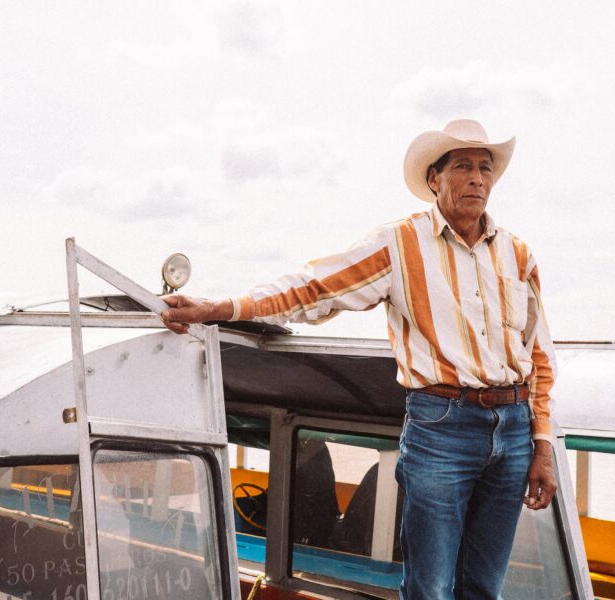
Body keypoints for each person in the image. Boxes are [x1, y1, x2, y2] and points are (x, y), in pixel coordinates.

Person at [160, 119, 558, 600]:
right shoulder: (400, 244)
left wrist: (542, 446)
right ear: (434, 180)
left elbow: (538, 355)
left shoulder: (517, 254)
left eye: (484, 168)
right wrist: (222, 309)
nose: (477, 178)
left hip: (514, 429)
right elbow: (315, 287)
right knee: (430, 588)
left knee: (483, 587)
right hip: (442, 427)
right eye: (463, 167)